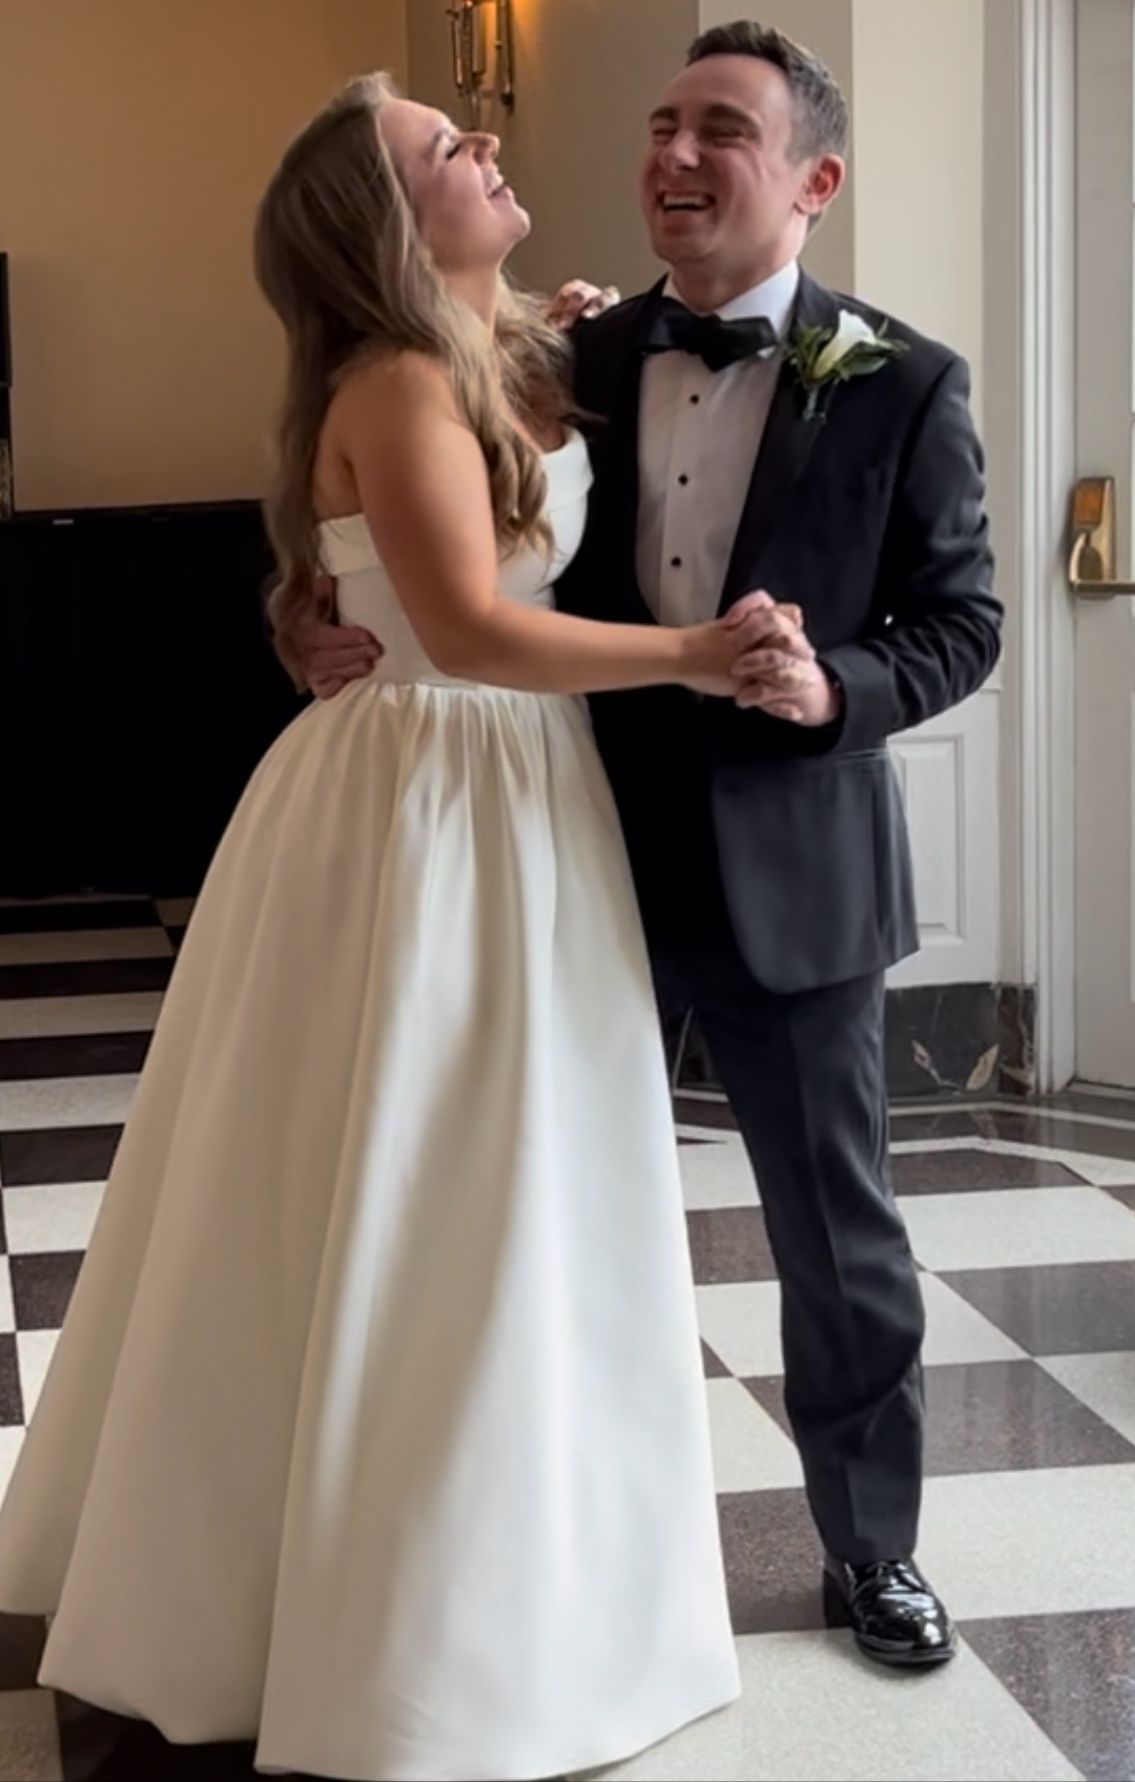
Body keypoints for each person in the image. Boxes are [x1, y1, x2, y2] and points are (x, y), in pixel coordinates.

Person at [0, 72, 804, 1781]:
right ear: (385, 220)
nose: (492, 147)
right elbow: (468, 625)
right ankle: (378, 1611)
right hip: (440, 799)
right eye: (452, 147)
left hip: (511, 797)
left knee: (506, 1179)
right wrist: (696, 653)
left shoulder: (496, 358)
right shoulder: (399, 378)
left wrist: (548, 329)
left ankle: (521, 1570)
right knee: (416, 1174)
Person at [306, 25, 1003, 1669]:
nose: (674, 156)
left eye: (724, 133)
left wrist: (836, 681)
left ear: (814, 181)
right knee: (521, 1208)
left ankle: (873, 1549)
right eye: (661, 124)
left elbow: (961, 623)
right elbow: (399, 514)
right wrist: (317, 618)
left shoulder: (905, 381)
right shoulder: (562, 355)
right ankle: (518, 1554)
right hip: (555, 845)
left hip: (794, 870)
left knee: (838, 1232)